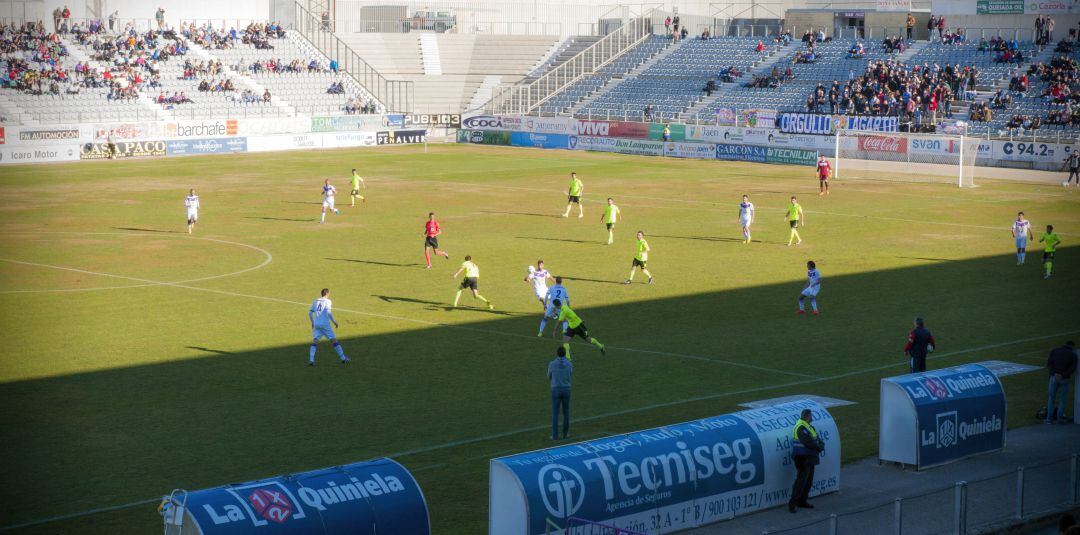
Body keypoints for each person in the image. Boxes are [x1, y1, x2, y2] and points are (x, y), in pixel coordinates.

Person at [788, 408, 825, 513]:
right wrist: (819, 447)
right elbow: (808, 442)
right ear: (808, 416)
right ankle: (793, 504)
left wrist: (821, 444)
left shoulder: (808, 426)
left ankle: (802, 501)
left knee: (808, 481)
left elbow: (817, 438)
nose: (812, 417)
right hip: (802, 458)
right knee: (801, 481)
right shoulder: (801, 427)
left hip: (809, 458)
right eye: (811, 415)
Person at [308, 288, 349, 366]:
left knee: (315, 341)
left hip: (316, 324)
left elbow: (310, 313)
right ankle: (343, 358)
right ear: (327, 294)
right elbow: (329, 312)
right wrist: (334, 322)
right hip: (325, 324)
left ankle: (311, 360)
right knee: (334, 340)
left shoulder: (315, 301)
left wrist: (312, 323)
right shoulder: (328, 301)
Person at [1046, 341, 1076, 424]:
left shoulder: (1054, 351)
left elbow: (1049, 363)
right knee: (1062, 399)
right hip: (1064, 379)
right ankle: (1060, 420)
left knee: (1051, 398)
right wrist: (1063, 375)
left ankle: (1049, 419)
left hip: (1053, 377)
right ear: (1071, 346)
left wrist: (1055, 373)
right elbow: (1072, 368)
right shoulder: (1073, 354)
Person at [548, 346, 572, 440]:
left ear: (557, 353)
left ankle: (555, 436)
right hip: (566, 389)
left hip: (556, 389)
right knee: (566, 412)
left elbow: (548, 376)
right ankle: (565, 434)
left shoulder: (552, 364)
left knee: (555, 413)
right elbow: (570, 374)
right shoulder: (569, 364)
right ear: (565, 354)